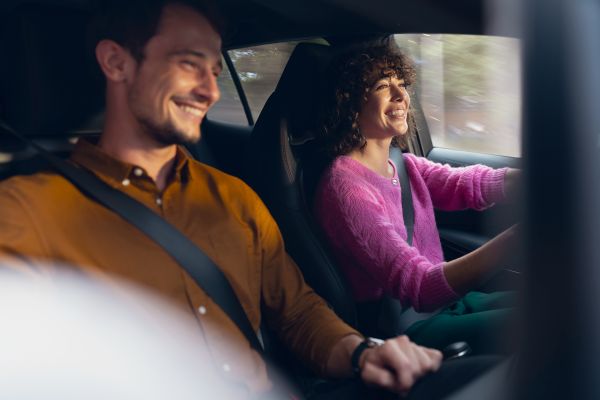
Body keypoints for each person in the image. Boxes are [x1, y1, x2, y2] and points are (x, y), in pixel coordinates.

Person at [0, 1, 498, 398]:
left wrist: (361, 353)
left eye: (215, 70)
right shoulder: (26, 212)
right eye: (189, 63)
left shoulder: (233, 199)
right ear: (116, 61)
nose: (210, 91)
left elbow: (298, 313)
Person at [314, 42, 520, 355]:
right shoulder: (345, 189)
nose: (401, 96)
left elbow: (467, 183)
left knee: (560, 297)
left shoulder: (402, 163)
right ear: (351, 103)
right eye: (383, 85)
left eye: (402, 83)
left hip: (448, 305)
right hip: (407, 329)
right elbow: (420, 286)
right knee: (548, 320)